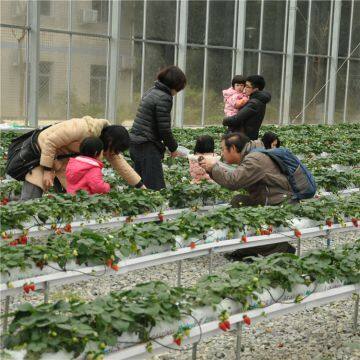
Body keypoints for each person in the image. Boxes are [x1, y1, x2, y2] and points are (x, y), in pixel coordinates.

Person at [199, 132, 295, 259]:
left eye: (223, 149)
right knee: (238, 201)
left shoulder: (254, 159)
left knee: (249, 218)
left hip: (278, 203)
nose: (221, 153)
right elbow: (237, 177)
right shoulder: (252, 155)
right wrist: (211, 169)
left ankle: (280, 248)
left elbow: (233, 182)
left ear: (233, 149)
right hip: (269, 198)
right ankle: (248, 248)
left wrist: (214, 168)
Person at [21, 116, 144, 200]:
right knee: (31, 197)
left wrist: (141, 187)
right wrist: (47, 170)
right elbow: (50, 142)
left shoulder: (104, 144)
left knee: (69, 198)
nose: (112, 155)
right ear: (110, 141)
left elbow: (122, 166)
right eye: (114, 151)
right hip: (40, 153)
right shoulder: (81, 128)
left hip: (60, 161)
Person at [130, 65, 187, 190]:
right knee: (155, 187)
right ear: (175, 85)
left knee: (139, 185)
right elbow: (164, 129)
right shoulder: (164, 97)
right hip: (147, 145)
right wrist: (173, 148)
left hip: (136, 142)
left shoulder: (152, 91)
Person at [223, 75, 271, 140]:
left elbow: (236, 119)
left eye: (247, 86)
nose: (244, 88)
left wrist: (225, 120)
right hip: (245, 136)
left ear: (255, 89)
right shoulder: (257, 99)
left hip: (244, 138)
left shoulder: (253, 103)